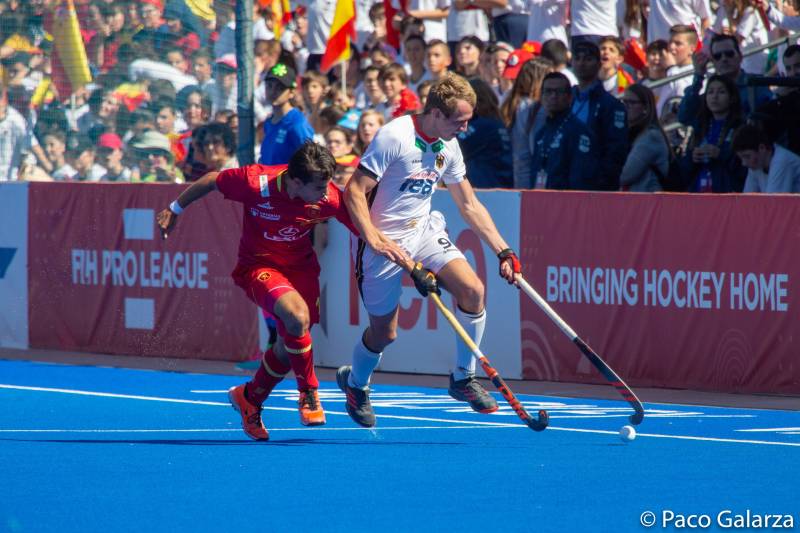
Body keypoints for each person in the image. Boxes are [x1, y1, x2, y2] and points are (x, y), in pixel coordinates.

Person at [337, 74, 523, 428]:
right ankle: (357, 384)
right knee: (384, 334)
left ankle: (462, 378)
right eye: (459, 121)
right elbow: (354, 191)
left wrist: (503, 251)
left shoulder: (449, 144)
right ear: (436, 113)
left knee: (473, 291)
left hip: (422, 230)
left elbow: (468, 204)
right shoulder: (395, 136)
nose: (464, 129)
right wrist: (375, 240)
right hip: (381, 241)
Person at [156, 141, 358, 441]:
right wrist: (175, 209)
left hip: (302, 269)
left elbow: (361, 224)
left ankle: (249, 397)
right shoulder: (255, 182)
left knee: (292, 345)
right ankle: (309, 393)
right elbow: (211, 180)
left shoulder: (326, 197)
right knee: (296, 316)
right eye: (318, 186)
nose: (325, 191)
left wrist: (398, 249)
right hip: (258, 267)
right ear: (296, 181)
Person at [571, 41, 629, 190]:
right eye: (577, 58)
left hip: (595, 188)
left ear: (598, 64)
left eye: (588, 59)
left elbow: (616, 151)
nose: (581, 63)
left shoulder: (611, 105)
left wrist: (601, 182)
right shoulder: (565, 99)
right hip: (566, 182)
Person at [677, 74, 746, 192]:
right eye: (710, 92)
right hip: (698, 198)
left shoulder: (740, 128)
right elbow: (683, 172)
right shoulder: (699, 127)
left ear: (732, 98)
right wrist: (692, 158)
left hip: (728, 198)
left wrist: (721, 154)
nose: (714, 97)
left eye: (721, 92)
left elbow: (745, 168)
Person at [531, 72, 599, 189]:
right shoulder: (541, 133)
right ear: (541, 96)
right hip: (541, 199)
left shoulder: (579, 132)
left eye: (559, 92)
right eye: (548, 91)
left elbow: (581, 179)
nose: (553, 96)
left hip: (566, 202)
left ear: (569, 97)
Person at [457, 78, 513, 188]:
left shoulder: (481, 126)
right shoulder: (496, 123)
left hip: (484, 189)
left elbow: (451, 148)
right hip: (498, 186)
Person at [258, 62, 314, 165]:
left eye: (280, 88)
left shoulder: (297, 123)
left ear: (291, 93)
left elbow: (310, 160)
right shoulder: (269, 122)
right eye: (269, 86)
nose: (273, 91)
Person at [619, 85, 669, 192]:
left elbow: (625, 175)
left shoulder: (651, 136)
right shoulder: (630, 134)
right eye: (623, 102)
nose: (626, 106)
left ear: (645, 107)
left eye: (631, 103)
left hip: (649, 203)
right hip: (634, 202)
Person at [733, 124, 800, 193]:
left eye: (747, 156)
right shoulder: (756, 165)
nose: (744, 163)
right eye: (741, 158)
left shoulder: (781, 161)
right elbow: (747, 199)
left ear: (762, 148)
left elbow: (773, 201)